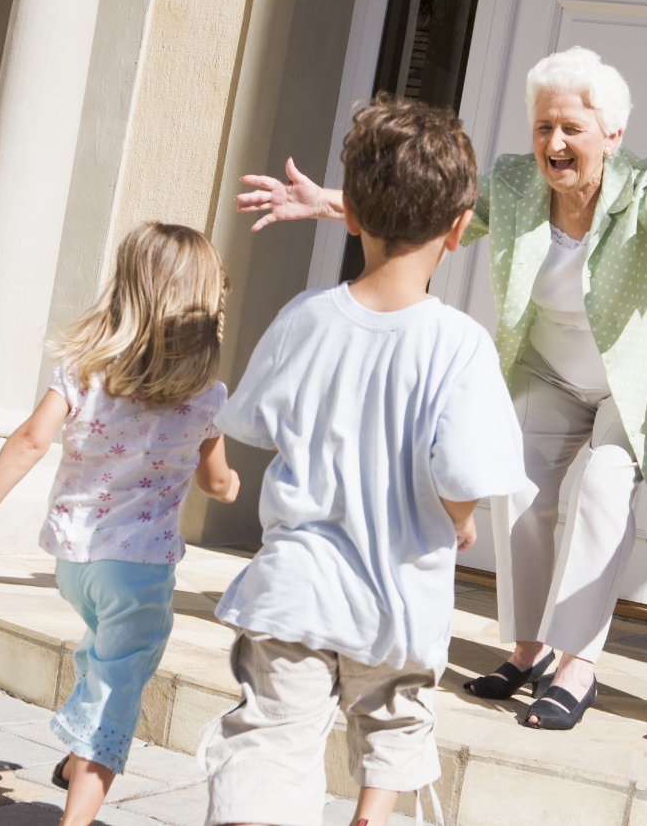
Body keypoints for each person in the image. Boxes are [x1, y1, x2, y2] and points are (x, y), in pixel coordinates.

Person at [235, 47, 647, 731]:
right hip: (550, 369)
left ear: (612, 136)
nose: (553, 144)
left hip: (630, 380)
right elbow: (430, 212)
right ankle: (528, 648)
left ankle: (578, 662)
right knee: (522, 489)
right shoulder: (512, 182)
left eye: (571, 129)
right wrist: (331, 202)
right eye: (542, 128)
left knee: (601, 490)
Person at [200, 97, 530, 826]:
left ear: (349, 215)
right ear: (458, 228)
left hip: (297, 589)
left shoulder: (304, 318)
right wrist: (462, 519)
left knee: (269, 743)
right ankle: (369, 817)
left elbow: (251, 422)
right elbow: (464, 474)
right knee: (395, 723)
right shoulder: (460, 343)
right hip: (399, 597)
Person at [0, 223, 240, 826]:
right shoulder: (205, 394)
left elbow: (29, 440)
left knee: (103, 655)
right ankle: (78, 816)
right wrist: (230, 487)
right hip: (141, 572)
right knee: (118, 692)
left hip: (74, 562)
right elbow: (216, 480)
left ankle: (74, 763)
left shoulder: (83, 370)